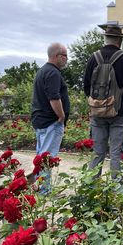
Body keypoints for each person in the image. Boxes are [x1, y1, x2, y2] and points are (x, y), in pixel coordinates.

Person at [83, 25, 123, 177]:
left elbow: (86, 88)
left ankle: (91, 190)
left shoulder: (93, 58)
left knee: (97, 154)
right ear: (120, 40)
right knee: (116, 155)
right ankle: (117, 193)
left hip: (97, 113)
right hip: (120, 113)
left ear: (105, 38)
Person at [31, 42, 70, 194]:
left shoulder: (42, 71)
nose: (67, 59)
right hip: (51, 121)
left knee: (41, 157)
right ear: (57, 56)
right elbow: (54, 98)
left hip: (41, 120)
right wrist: (61, 115)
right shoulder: (53, 73)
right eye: (65, 56)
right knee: (47, 158)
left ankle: (39, 186)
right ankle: (44, 191)